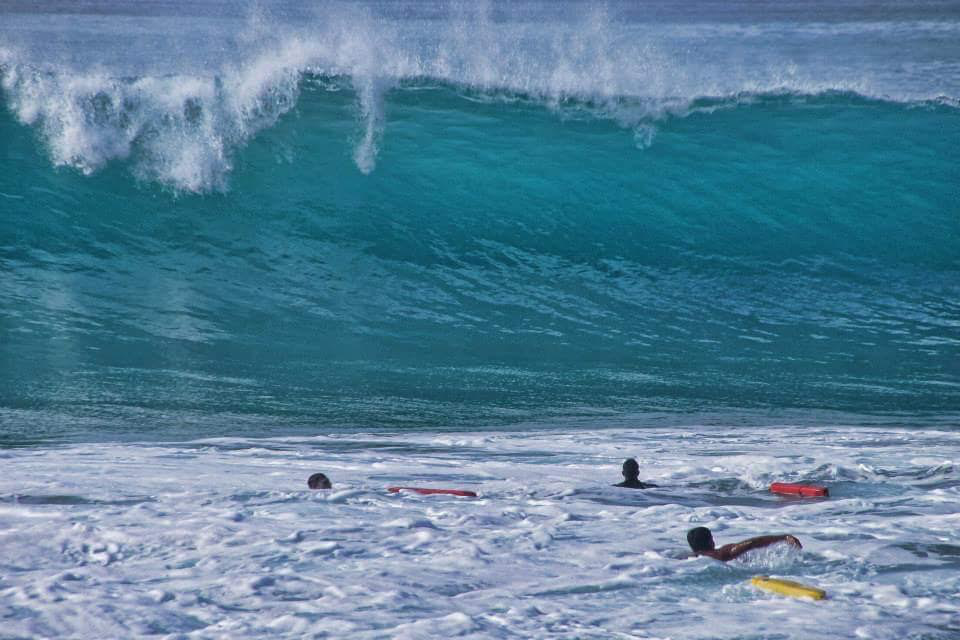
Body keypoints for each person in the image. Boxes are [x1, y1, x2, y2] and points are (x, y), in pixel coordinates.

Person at [686, 526, 801, 561]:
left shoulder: (689, 557)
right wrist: (783, 537)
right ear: (710, 540)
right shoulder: (721, 554)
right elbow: (751, 543)